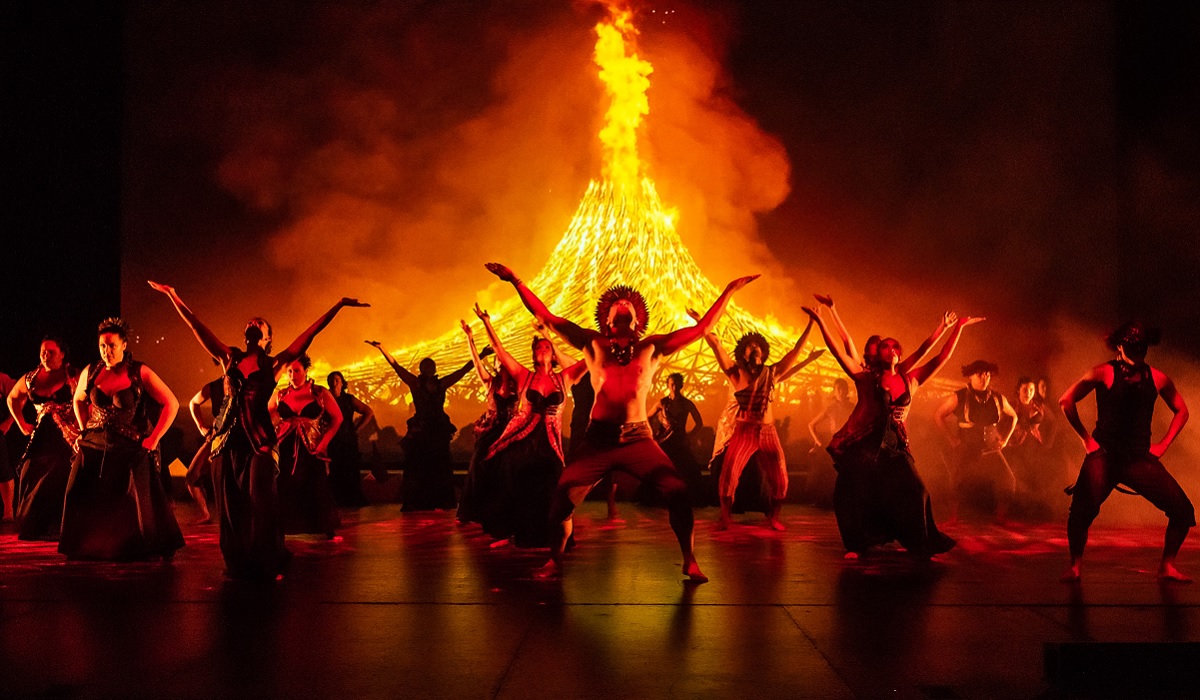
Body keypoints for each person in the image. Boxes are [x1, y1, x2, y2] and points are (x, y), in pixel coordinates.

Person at [486, 260, 758, 581]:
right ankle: (554, 559)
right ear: (608, 316)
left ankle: (689, 559)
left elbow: (702, 330)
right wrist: (516, 279)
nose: (623, 303)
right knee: (562, 500)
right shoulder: (592, 343)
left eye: (628, 302)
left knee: (679, 493)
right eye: (617, 303)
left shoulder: (652, 347)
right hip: (598, 440)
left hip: (638, 438)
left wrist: (729, 290)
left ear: (638, 317)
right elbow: (545, 316)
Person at [149, 280, 367, 579]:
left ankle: (267, 559)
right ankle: (238, 561)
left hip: (261, 442)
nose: (254, 323)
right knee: (231, 504)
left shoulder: (275, 364)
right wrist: (174, 296)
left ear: (267, 338)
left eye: (260, 324)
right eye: (251, 322)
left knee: (261, 501)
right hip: (228, 441)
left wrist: (338, 306)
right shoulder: (230, 358)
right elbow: (196, 327)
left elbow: (310, 334)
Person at [804, 301, 981, 559]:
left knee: (917, 491)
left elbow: (938, 355)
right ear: (878, 355)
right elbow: (839, 350)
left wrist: (954, 328)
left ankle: (922, 544)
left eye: (894, 346)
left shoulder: (910, 378)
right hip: (867, 445)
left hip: (896, 445)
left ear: (899, 353)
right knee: (855, 492)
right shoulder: (866, 378)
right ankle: (857, 544)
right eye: (885, 347)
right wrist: (822, 320)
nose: (891, 349)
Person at [1059, 322, 1192, 582]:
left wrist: (1163, 445)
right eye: (1133, 345)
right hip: (1104, 456)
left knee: (1182, 511)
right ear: (1119, 346)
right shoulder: (1104, 373)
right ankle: (1075, 565)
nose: (1139, 350)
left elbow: (1182, 410)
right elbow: (1066, 400)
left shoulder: (1158, 378)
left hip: (1139, 459)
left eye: (1142, 345)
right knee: (1082, 511)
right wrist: (1086, 440)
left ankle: (1167, 566)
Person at [59, 318, 184, 560]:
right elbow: (78, 400)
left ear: (124, 345)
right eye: (102, 346)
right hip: (95, 444)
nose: (107, 352)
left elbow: (171, 403)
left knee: (127, 500)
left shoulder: (140, 372)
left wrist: (154, 438)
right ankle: (87, 544)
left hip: (129, 446)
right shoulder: (92, 371)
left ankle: (129, 545)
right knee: (77, 490)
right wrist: (85, 430)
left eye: (112, 346)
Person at [473, 304, 586, 546]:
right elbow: (498, 349)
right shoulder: (524, 376)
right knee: (512, 474)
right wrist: (486, 322)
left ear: (553, 353)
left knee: (555, 481)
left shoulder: (564, 378)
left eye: (547, 347)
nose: (543, 350)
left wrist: (549, 335)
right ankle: (514, 532)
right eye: (538, 347)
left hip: (550, 442)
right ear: (533, 354)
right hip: (523, 439)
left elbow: (590, 359)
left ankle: (555, 535)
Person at [695, 318, 821, 531]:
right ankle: (725, 517)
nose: (753, 349)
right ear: (743, 354)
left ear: (763, 352)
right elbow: (716, 345)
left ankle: (773, 517)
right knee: (729, 475)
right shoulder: (736, 373)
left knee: (780, 478)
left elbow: (795, 351)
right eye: (749, 347)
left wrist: (811, 323)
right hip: (744, 431)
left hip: (768, 432)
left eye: (757, 346)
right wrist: (701, 322)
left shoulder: (771, 373)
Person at [366, 342, 472, 511]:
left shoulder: (441, 384)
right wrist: (382, 349)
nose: (429, 368)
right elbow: (396, 367)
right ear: (422, 369)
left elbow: (462, 372)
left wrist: (479, 356)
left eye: (431, 365)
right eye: (426, 365)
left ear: (434, 368)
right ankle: (419, 500)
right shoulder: (415, 384)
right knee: (419, 466)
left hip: (437, 430)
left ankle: (438, 500)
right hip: (422, 429)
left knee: (439, 465)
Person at [6, 337, 79, 540]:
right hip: (41, 437)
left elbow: (87, 398)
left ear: (62, 354)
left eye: (51, 352)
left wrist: (81, 425)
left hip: (66, 437)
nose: (45, 356)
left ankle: (60, 527)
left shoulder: (72, 374)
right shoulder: (31, 378)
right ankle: (34, 526)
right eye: (43, 352)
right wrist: (21, 423)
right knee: (30, 471)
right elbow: (13, 397)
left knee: (61, 473)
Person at [933, 360, 1018, 524]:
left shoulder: (998, 398)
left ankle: (1000, 517)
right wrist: (952, 439)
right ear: (970, 376)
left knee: (1008, 479)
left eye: (987, 374)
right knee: (956, 480)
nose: (984, 377)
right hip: (966, 447)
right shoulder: (959, 396)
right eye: (979, 374)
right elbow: (938, 415)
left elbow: (1013, 416)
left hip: (991, 448)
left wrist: (1005, 439)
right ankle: (953, 517)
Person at [271, 356, 342, 537]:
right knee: (286, 484)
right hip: (286, 447)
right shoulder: (281, 395)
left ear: (306, 371)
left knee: (316, 485)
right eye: (289, 371)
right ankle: (288, 526)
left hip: (312, 447)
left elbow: (338, 418)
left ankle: (321, 526)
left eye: (297, 371)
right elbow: (267, 417)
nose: (293, 375)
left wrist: (325, 442)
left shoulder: (319, 393)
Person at [456, 320, 516, 526]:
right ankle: (477, 511)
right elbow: (476, 363)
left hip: (513, 431)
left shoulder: (520, 384)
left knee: (510, 472)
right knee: (480, 468)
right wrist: (469, 338)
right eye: (498, 361)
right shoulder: (490, 383)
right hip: (492, 432)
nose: (500, 364)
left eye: (503, 361)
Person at [648, 373, 705, 506]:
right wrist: (653, 433)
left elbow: (699, 422)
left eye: (677, 384)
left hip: (680, 441)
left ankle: (687, 499)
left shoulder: (687, 404)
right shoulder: (662, 403)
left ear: (681, 385)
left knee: (686, 470)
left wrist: (690, 437)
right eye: (672, 384)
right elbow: (647, 417)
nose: (674, 387)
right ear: (668, 385)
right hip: (664, 441)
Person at [326, 371, 374, 508]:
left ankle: (350, 498)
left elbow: (368, 411)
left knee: (349, 468)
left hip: (347, 438)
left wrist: (356, 429)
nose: (334, 382)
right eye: (331, 380)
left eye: (336, 380)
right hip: (332, 438)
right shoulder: (325, 398)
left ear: (342, 382)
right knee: (335, 469)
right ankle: (336, 498)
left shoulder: (348, 399)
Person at [184, 371, 224, 524]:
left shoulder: (244, 385)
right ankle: (205, 514)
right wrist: (201, 426)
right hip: (216, 437)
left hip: (237, 439)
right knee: (192, 475)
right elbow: (193, 403)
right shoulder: (215, 387)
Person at [808, 378, 854, 450]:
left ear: (847, 391)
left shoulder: (853, 407)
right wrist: (818, 442)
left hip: (851, 445)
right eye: (838, 389)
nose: (841, 392)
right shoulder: (830, 408)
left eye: (843, 389)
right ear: (834, 392)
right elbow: (811, 425)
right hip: (836, 446)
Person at [0, 371, 17, 522]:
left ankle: (8, 512)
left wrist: (9, 422)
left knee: (3, 470)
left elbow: (18, 398)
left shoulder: (2, 379)